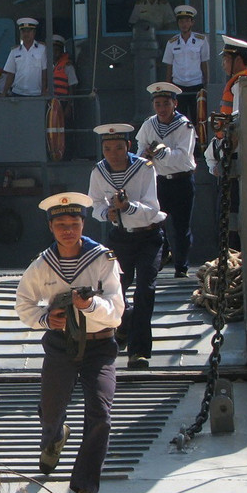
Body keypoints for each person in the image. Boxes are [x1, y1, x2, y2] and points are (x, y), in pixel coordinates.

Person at [14, 191, 124, 493]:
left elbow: (117, 311)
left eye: (73, 223)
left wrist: (90, 306)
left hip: (99, 347)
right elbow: (24, 304)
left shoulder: (102, 259)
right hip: (61, 345)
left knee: (100, 412)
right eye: (61, 224)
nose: (67, 230)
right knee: (51, 409)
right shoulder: (42, 264)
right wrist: (47, 319)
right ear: (51, 227)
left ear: (82, 225)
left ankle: (85, 490)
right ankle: (55, 435)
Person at [87, 124, 166, 369]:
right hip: (121, 237)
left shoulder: (144, 168)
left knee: (145, 289)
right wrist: (108, 213)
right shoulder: (99, 171)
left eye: (119, 148)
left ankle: (139, 351)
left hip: (148, 237)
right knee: (114, 288)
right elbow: (95, 204)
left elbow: (152, 208)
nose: (113, 154)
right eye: (108, 149)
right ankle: (124, 322)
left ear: (128, 146)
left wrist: (128, 207)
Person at [135, 82, 198, 278]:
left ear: (175, 104)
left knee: (181, 226)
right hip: (158, 181)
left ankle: (181, 267)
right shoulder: (149, 125)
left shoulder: (184, 126)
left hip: (181, 180)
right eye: (158, 104)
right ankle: (162, 255)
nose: (162, 108)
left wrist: (161, 153)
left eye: (166, 104)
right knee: (155, 222)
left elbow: (183, 157)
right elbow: (140, 149)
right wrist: (145, 156)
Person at [206, 35, 247, 252]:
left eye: (226, 59)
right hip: (230, 152)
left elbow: (237, 120)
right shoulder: (239, 83)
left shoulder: (241, 85)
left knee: (230, 212)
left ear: (238, 60)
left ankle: (233, 253)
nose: (224, 64)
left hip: (235, 155)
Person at [162, 5, 210, 122]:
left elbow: (204, 63)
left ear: (192, 23)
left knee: (198, 118)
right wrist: (168, 87)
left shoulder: (201, 40)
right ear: (178, 23)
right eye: (181, 21)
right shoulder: (172, 42)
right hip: (178, 85)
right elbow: (169, 66)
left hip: (196, 84)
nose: (184, 24)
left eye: (187, 21)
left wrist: (206, 83)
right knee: (179, 119)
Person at [1, 18, 49, 97]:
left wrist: (43, 91)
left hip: (36, 93)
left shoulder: (42, 49)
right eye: (23, 31)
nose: (26, 34)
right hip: (18, 93)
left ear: (34, 32)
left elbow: (45, 72)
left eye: (29, 31)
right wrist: (4, 92)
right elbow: (11, 73)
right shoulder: (14, 51)